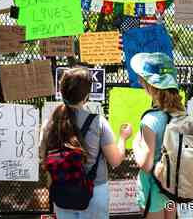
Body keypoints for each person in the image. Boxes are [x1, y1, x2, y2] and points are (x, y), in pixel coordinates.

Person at [39, 67, 132, 219]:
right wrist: (123, 137)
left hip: (62, 193)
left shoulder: (48, 124)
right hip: (94, 192)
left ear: (62, 91)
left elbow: (44, 158)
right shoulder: (98, 122)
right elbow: (115, 160)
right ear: (86, 95)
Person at [130, 52, 185, 219]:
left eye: (142, 80)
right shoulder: (181, 113)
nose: (140, 81)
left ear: (150, 86)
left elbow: (146, 164)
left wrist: (135, 143)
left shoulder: (150, 120)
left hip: (153, 187)